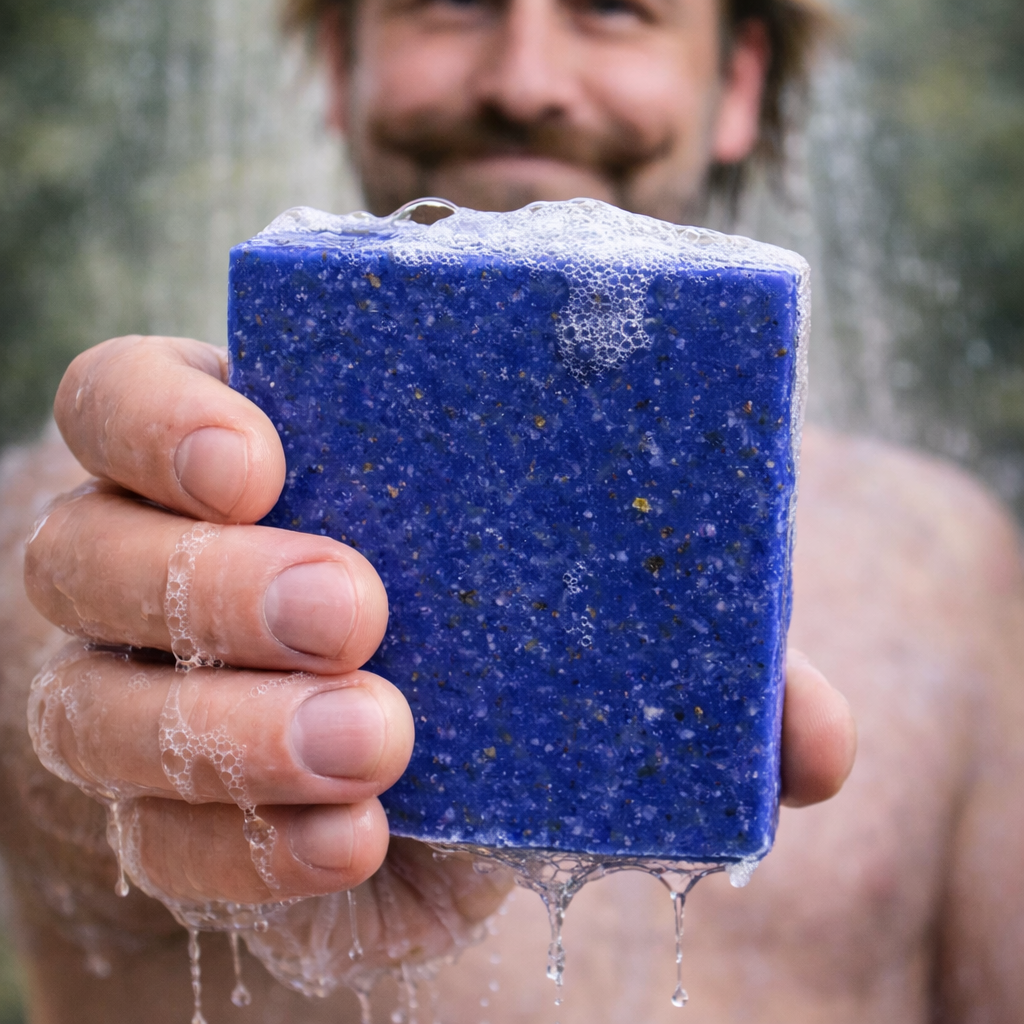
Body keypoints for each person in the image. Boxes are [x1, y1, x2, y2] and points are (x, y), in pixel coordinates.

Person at [0, 0, 1021, 1019]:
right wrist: (114, 774)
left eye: (616, 11)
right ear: (336, 64)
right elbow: (55, 803)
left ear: (738, 80)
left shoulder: (947, 563)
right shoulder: (69, 537)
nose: (524, 80)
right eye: (449, 5)